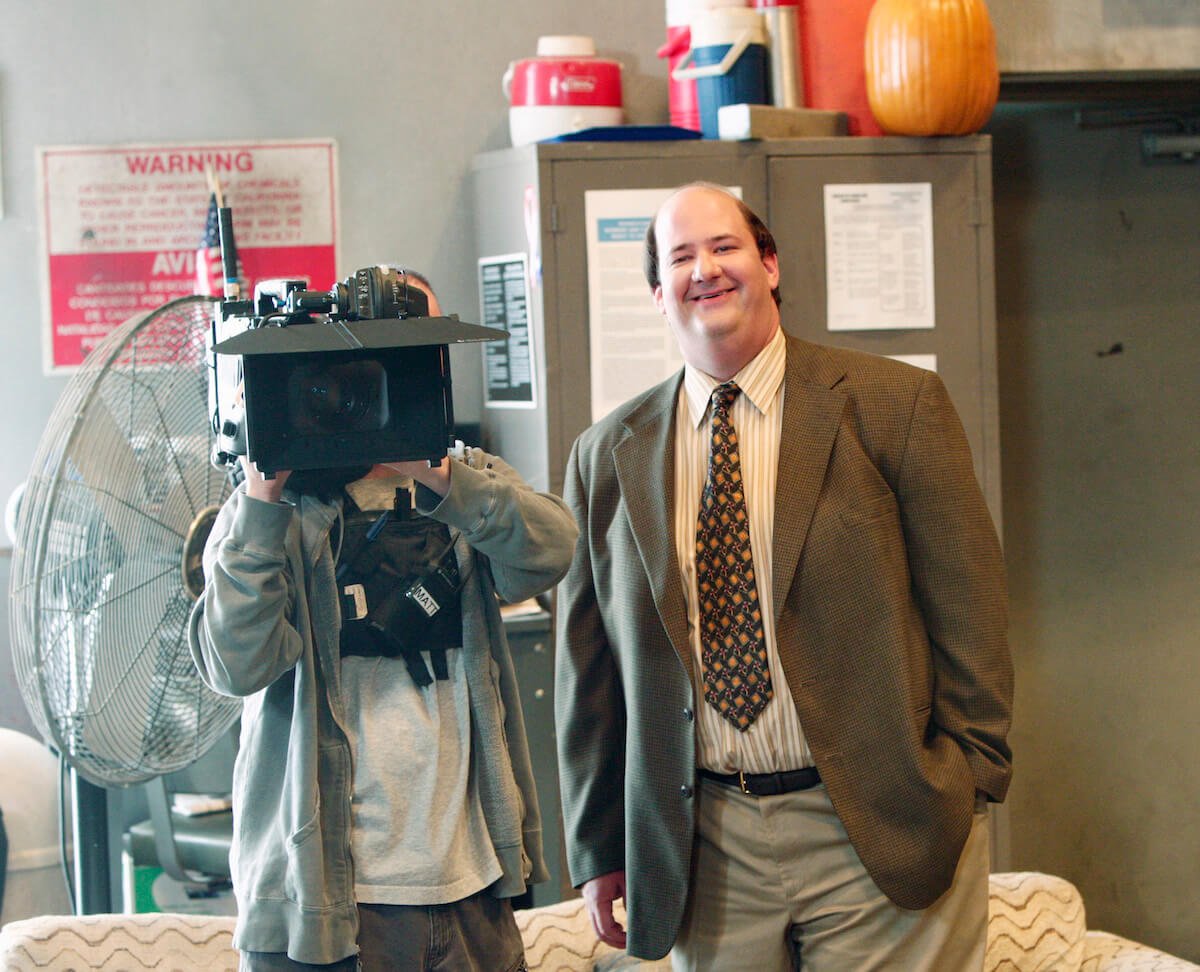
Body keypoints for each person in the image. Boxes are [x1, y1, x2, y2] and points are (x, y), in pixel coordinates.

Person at [554, 184, 1012, 970]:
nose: (707, 270)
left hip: (878, 823)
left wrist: (969, 775)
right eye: (682, 258)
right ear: (659, 294)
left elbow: (969, 605)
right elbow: (587, 671)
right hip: (706, 846)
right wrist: (598, 844)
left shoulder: (893, 405)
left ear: (769, 264)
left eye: (726, 247)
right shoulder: (607, 455)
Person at [189, 270, 578, 972]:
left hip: (468, 884)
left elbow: (550, 550)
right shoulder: (268, 516)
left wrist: (437, 472)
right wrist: (260, 495)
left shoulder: (466, 482)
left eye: (414, 354)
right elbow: (236, 666)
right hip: (322, 902)